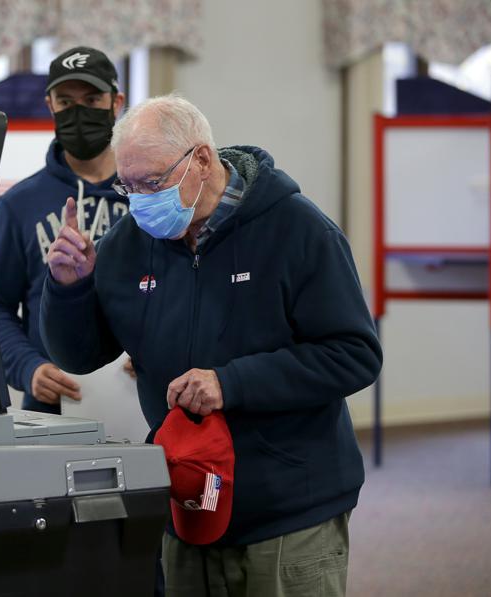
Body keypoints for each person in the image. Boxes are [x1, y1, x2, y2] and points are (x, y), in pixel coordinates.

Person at [41, 94, 382, 596]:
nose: (139, 200)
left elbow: (354, 354)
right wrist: (69, 288)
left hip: (288, 506)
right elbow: (80, 355)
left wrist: (232, 383)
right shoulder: (128, 243)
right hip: (186, 500)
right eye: (127, 185)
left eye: (152, 183)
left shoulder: (298, 231)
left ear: (201, 159)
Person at [0, 46, 129, 413]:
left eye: (92, 98)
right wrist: (28, 367)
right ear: (50, 105)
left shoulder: (150, 193)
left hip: (142, 399)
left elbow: (183, 292)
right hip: (53, 404)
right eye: (66, 100)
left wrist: (161, 350)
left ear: (117, 102)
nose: (79, 111)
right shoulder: (19, 202)